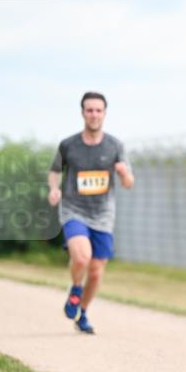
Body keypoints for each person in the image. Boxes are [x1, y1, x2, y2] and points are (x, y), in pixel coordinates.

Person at [48, 92, 134, 334]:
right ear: (82, 113)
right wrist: (53, 189)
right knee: (82, 258)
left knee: (95, 272)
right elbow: (55, 171)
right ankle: (76, 287)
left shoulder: (115, 146)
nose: (94, 115)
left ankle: (82, 313)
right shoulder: (68, 144)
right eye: (89, 110)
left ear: (104, 113)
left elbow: (129, 183)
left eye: (98, 110)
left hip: (103, 215)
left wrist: (123, 173)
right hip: (73, 209)